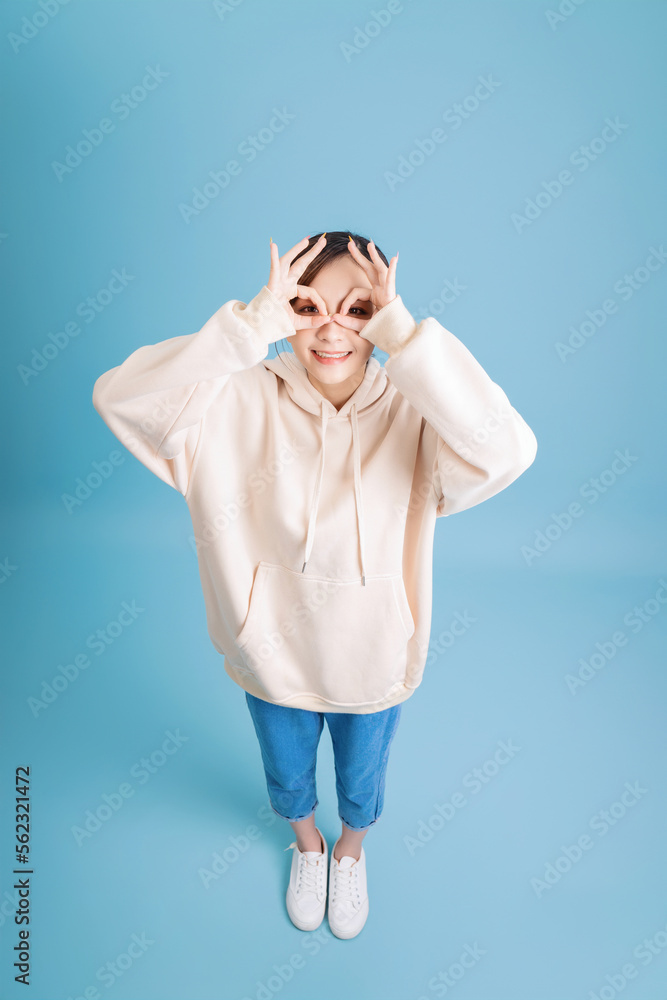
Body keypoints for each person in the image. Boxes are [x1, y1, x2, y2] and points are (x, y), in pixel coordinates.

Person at [92, 230, 538, 940]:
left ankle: (351, 853)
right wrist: (250, 327)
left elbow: (507, 449)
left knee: (361, 784)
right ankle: (309, 847)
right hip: (269, 655)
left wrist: (405, 337)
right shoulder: (230, 401)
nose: (330, 329)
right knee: (287, 773)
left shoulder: (417, 410)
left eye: (357, 310)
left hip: (376, 657)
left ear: (380, 316)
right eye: (306, 306)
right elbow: (119, 397)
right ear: (284, 310)